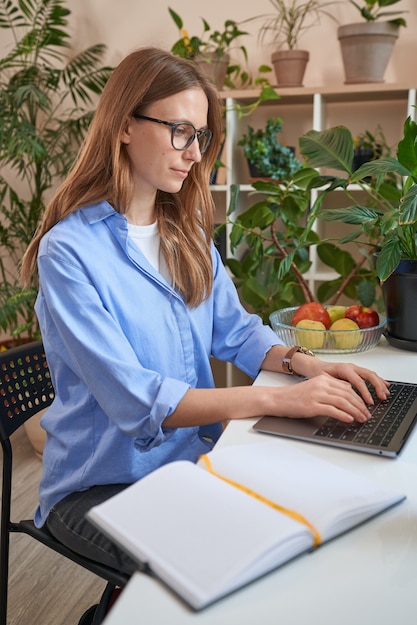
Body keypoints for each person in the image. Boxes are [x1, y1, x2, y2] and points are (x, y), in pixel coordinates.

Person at [21, 47, 390, 580]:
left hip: (191, 463)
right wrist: (277, 400)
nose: (194, 153)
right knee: (229, 570)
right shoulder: (69, 252)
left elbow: (235, 331)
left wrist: (303, 363)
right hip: (99, 487)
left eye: (200, 136)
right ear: (125, 125)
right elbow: (137, 400)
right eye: (180, 131)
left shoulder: (186, 233)